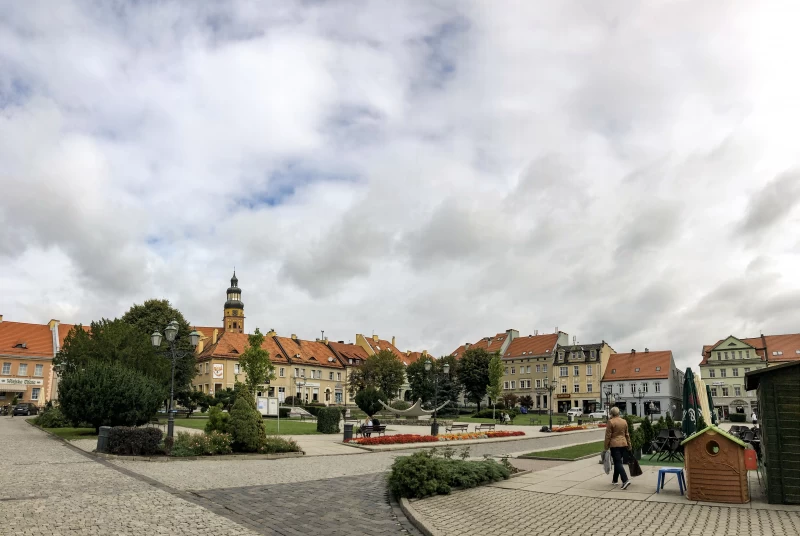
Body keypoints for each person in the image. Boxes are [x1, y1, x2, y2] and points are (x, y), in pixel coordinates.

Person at [604, 407, 632, 490]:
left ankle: (625, 480)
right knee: (618, 461)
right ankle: (615, 480)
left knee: (617, 462)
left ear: (611, 413)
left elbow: (608, 436)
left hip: (615, 444)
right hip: (623, 444)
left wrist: (606, 446)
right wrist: (629, 445)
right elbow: (627, 434)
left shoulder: (611, 422)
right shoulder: (624, 421)